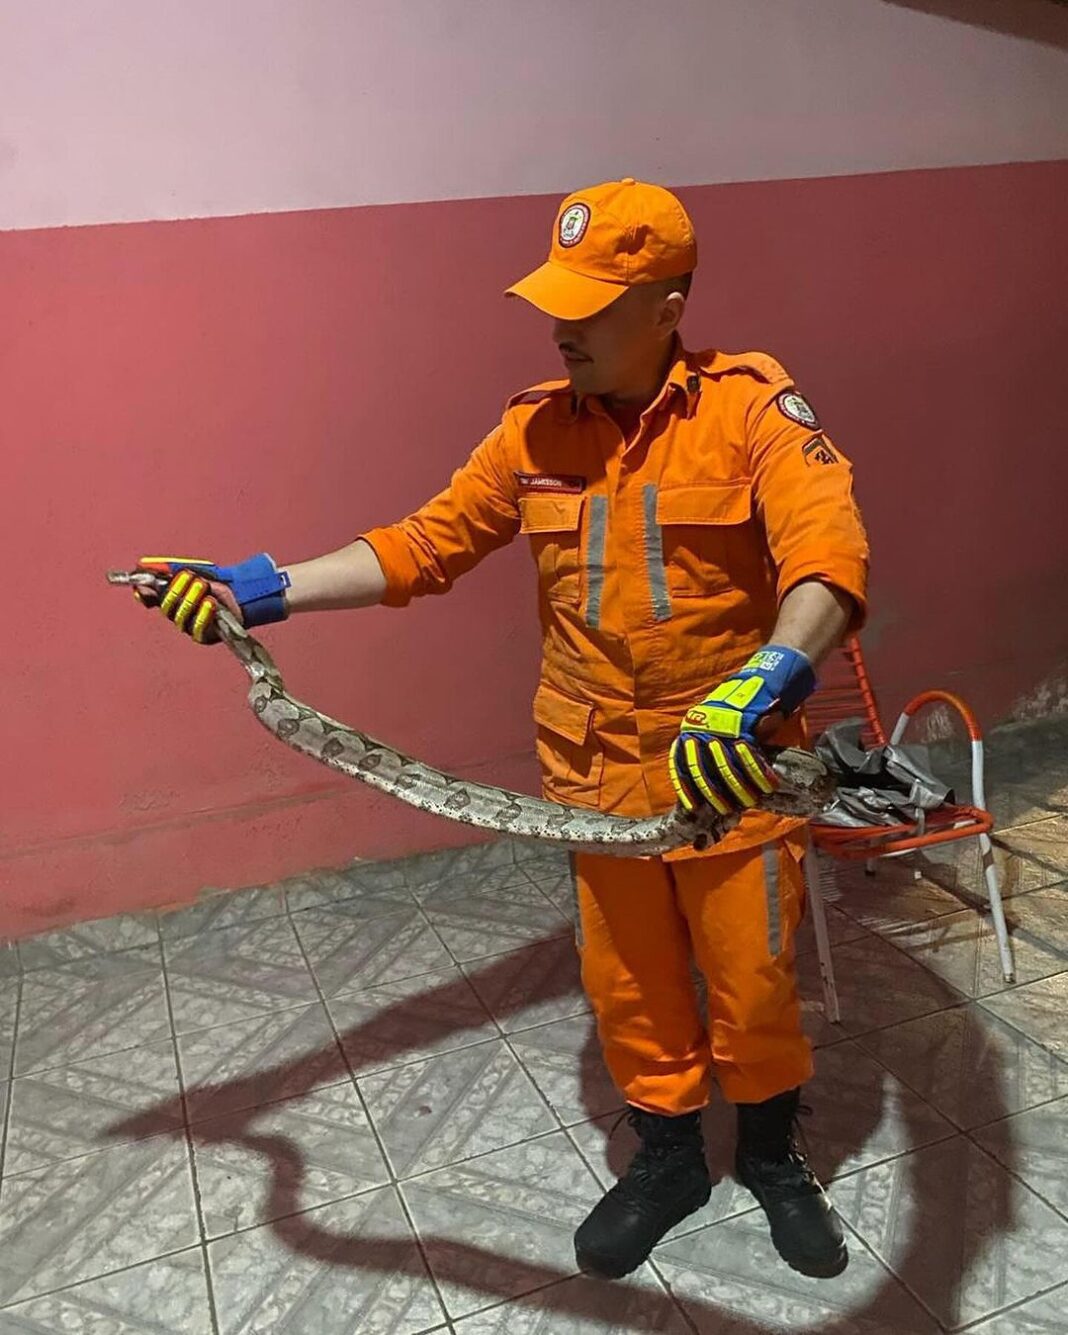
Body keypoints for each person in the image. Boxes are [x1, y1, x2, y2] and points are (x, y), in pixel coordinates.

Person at [134, 179, 869, 1281]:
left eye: (592, 305)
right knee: (630, 983)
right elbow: (418, 547)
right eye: (556, 302)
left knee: (753, 981)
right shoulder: (533, 428)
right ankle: (668, 1159)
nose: (562, 326)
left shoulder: (754, 410)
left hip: (732, 768)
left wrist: (766, 677)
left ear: (668, 308)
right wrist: (258, 588)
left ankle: (771, 1157)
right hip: (591, 768)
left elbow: (830, 560)